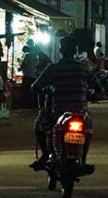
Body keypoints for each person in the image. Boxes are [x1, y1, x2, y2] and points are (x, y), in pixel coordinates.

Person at [30, 37, 90, 170]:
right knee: (88, 130)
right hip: (80, 112)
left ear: (61, 50)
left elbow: (35, 86)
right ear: (75, 51)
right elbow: (96, 84)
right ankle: (83, 158)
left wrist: (44, 90)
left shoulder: (53, 68)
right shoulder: (82, 68)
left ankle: (46, 154)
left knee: (39, 126)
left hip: (57, 111)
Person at [20, 38, 40, 107]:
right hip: (34, 77)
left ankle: (26, 106)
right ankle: (33, 106)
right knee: (33, 93)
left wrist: (20, 67)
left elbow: (23, 66)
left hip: (27, 76)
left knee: (26, 93)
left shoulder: (27, 55)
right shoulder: (37, 55)